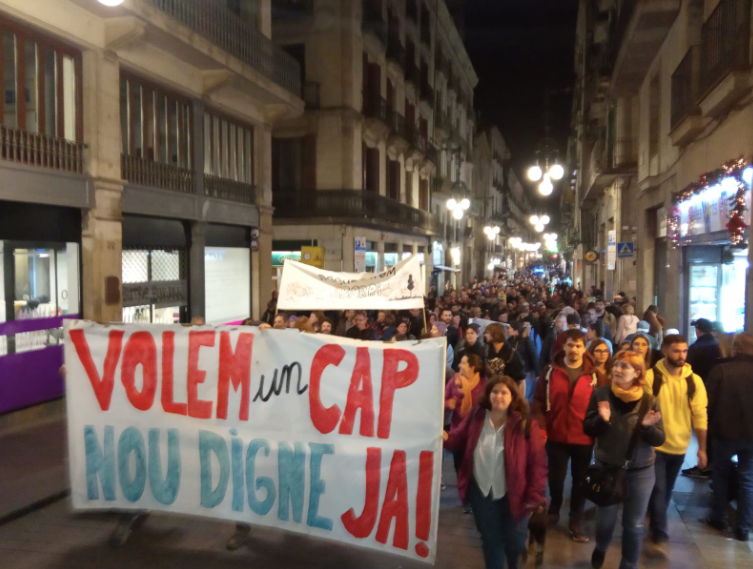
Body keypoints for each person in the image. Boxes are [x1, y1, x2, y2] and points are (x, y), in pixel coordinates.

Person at [444, 375, 548, 569]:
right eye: (494, 391)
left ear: (513, 397)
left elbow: (537, 464)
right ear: (488, 394)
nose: (499, 396)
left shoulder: (525, 424)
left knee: (515, 541)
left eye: (504, 392)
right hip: (481, 492)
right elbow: (456, 439)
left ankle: (514, 561)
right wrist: (444, 436)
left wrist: (535, 495)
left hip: (516, 494)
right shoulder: (476, 416)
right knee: (491, 541)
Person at [584, 350, 665, 569]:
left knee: (634, 525)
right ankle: (601, 546)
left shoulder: (649, 400)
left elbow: (659, 438)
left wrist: (648, 427)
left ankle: (628, 564)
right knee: (605, 521)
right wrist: (602, 420)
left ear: (637, 372)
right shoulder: (601, 394)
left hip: (640, 471)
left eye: (624, 366)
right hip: (607, 468)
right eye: (616, 365)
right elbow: (588, 428)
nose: (617, 370)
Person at [532, 329, 608, 542]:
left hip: (583, 437)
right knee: (555, 478)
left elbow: (603, 404)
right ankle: (555, 508)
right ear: (563, 347)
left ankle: (575, 518)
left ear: (584, 348)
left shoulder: (595, 375)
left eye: (578, 346)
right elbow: (538, 401)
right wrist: (542, 427)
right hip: (555, 436)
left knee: (580, 480)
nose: (574, 350)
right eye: (570, 345)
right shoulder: (550, 371)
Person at [644, 335, 708, 556]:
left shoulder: (694, 381)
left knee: (665, 490)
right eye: (676, 351)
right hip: (656, 446)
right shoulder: (651, 377)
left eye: (684, 351)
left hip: (680, 446)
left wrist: (702, 447)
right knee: (659, 489)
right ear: (664, 351)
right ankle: (660, 534)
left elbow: (700, 414)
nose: (682, 356)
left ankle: (655, 520)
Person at [707, 332, 753, 542]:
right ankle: (743, 526)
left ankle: (719, 517)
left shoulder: (722, 369)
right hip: (751, 435)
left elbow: (709, 401)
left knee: (721, 475)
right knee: (747, 478)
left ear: (736, 348)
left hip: (724, 431)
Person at [445, 354, 486, 512]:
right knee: (459, 466)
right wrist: (449, 403)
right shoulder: (454, 382)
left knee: (475, 467)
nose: (459, 366)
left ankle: (475, 497)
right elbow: (442, 400)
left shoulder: (483, 386)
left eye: (463, 363)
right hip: (457, 433)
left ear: (472, 368)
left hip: (477, 435)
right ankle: (466, 499)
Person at [682, 318, 721, 479]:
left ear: (697, 330)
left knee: (702, 426)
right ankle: (712, 463)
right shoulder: (719, 346)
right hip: (717, 393)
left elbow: (687, 372)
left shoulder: (696, 348)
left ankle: (705, 464)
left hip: (700, 392)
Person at [484, 323, 525, 387]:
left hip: (508, 391)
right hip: (492, 390)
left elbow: (521, 381)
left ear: (496, 334)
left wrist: (519, 397)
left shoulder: (513, 354)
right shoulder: (487, 351)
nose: (485, 335)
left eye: (487, 333)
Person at [507, 321, 539, 402]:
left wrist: (538, 374)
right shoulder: (510, 340)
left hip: (526, 372)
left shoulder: (527, 341)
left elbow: (534, 357)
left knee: (524, 397)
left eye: (510, 328)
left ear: (516, 330)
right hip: (514, 373)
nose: (508, 330)